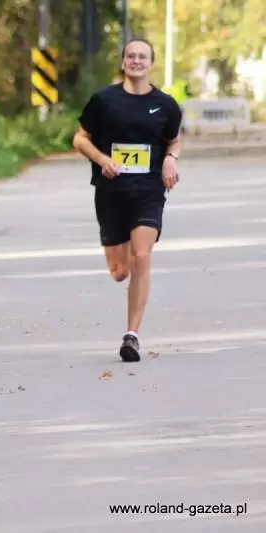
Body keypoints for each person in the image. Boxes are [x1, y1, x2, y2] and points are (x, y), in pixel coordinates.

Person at [72, 37, 182, 363]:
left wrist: (170, 159)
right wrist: (101, 159)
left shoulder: (166, 105)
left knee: (142, 255)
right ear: (123, 62)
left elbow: (174, 140)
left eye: (142, 57)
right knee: (120, 271)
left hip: (148, 191)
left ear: (151, 64)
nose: (136, 61)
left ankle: (132, 335)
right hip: (111, 193)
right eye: (131, 56)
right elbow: (80, 138)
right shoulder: (104, 101)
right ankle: (129, 264)